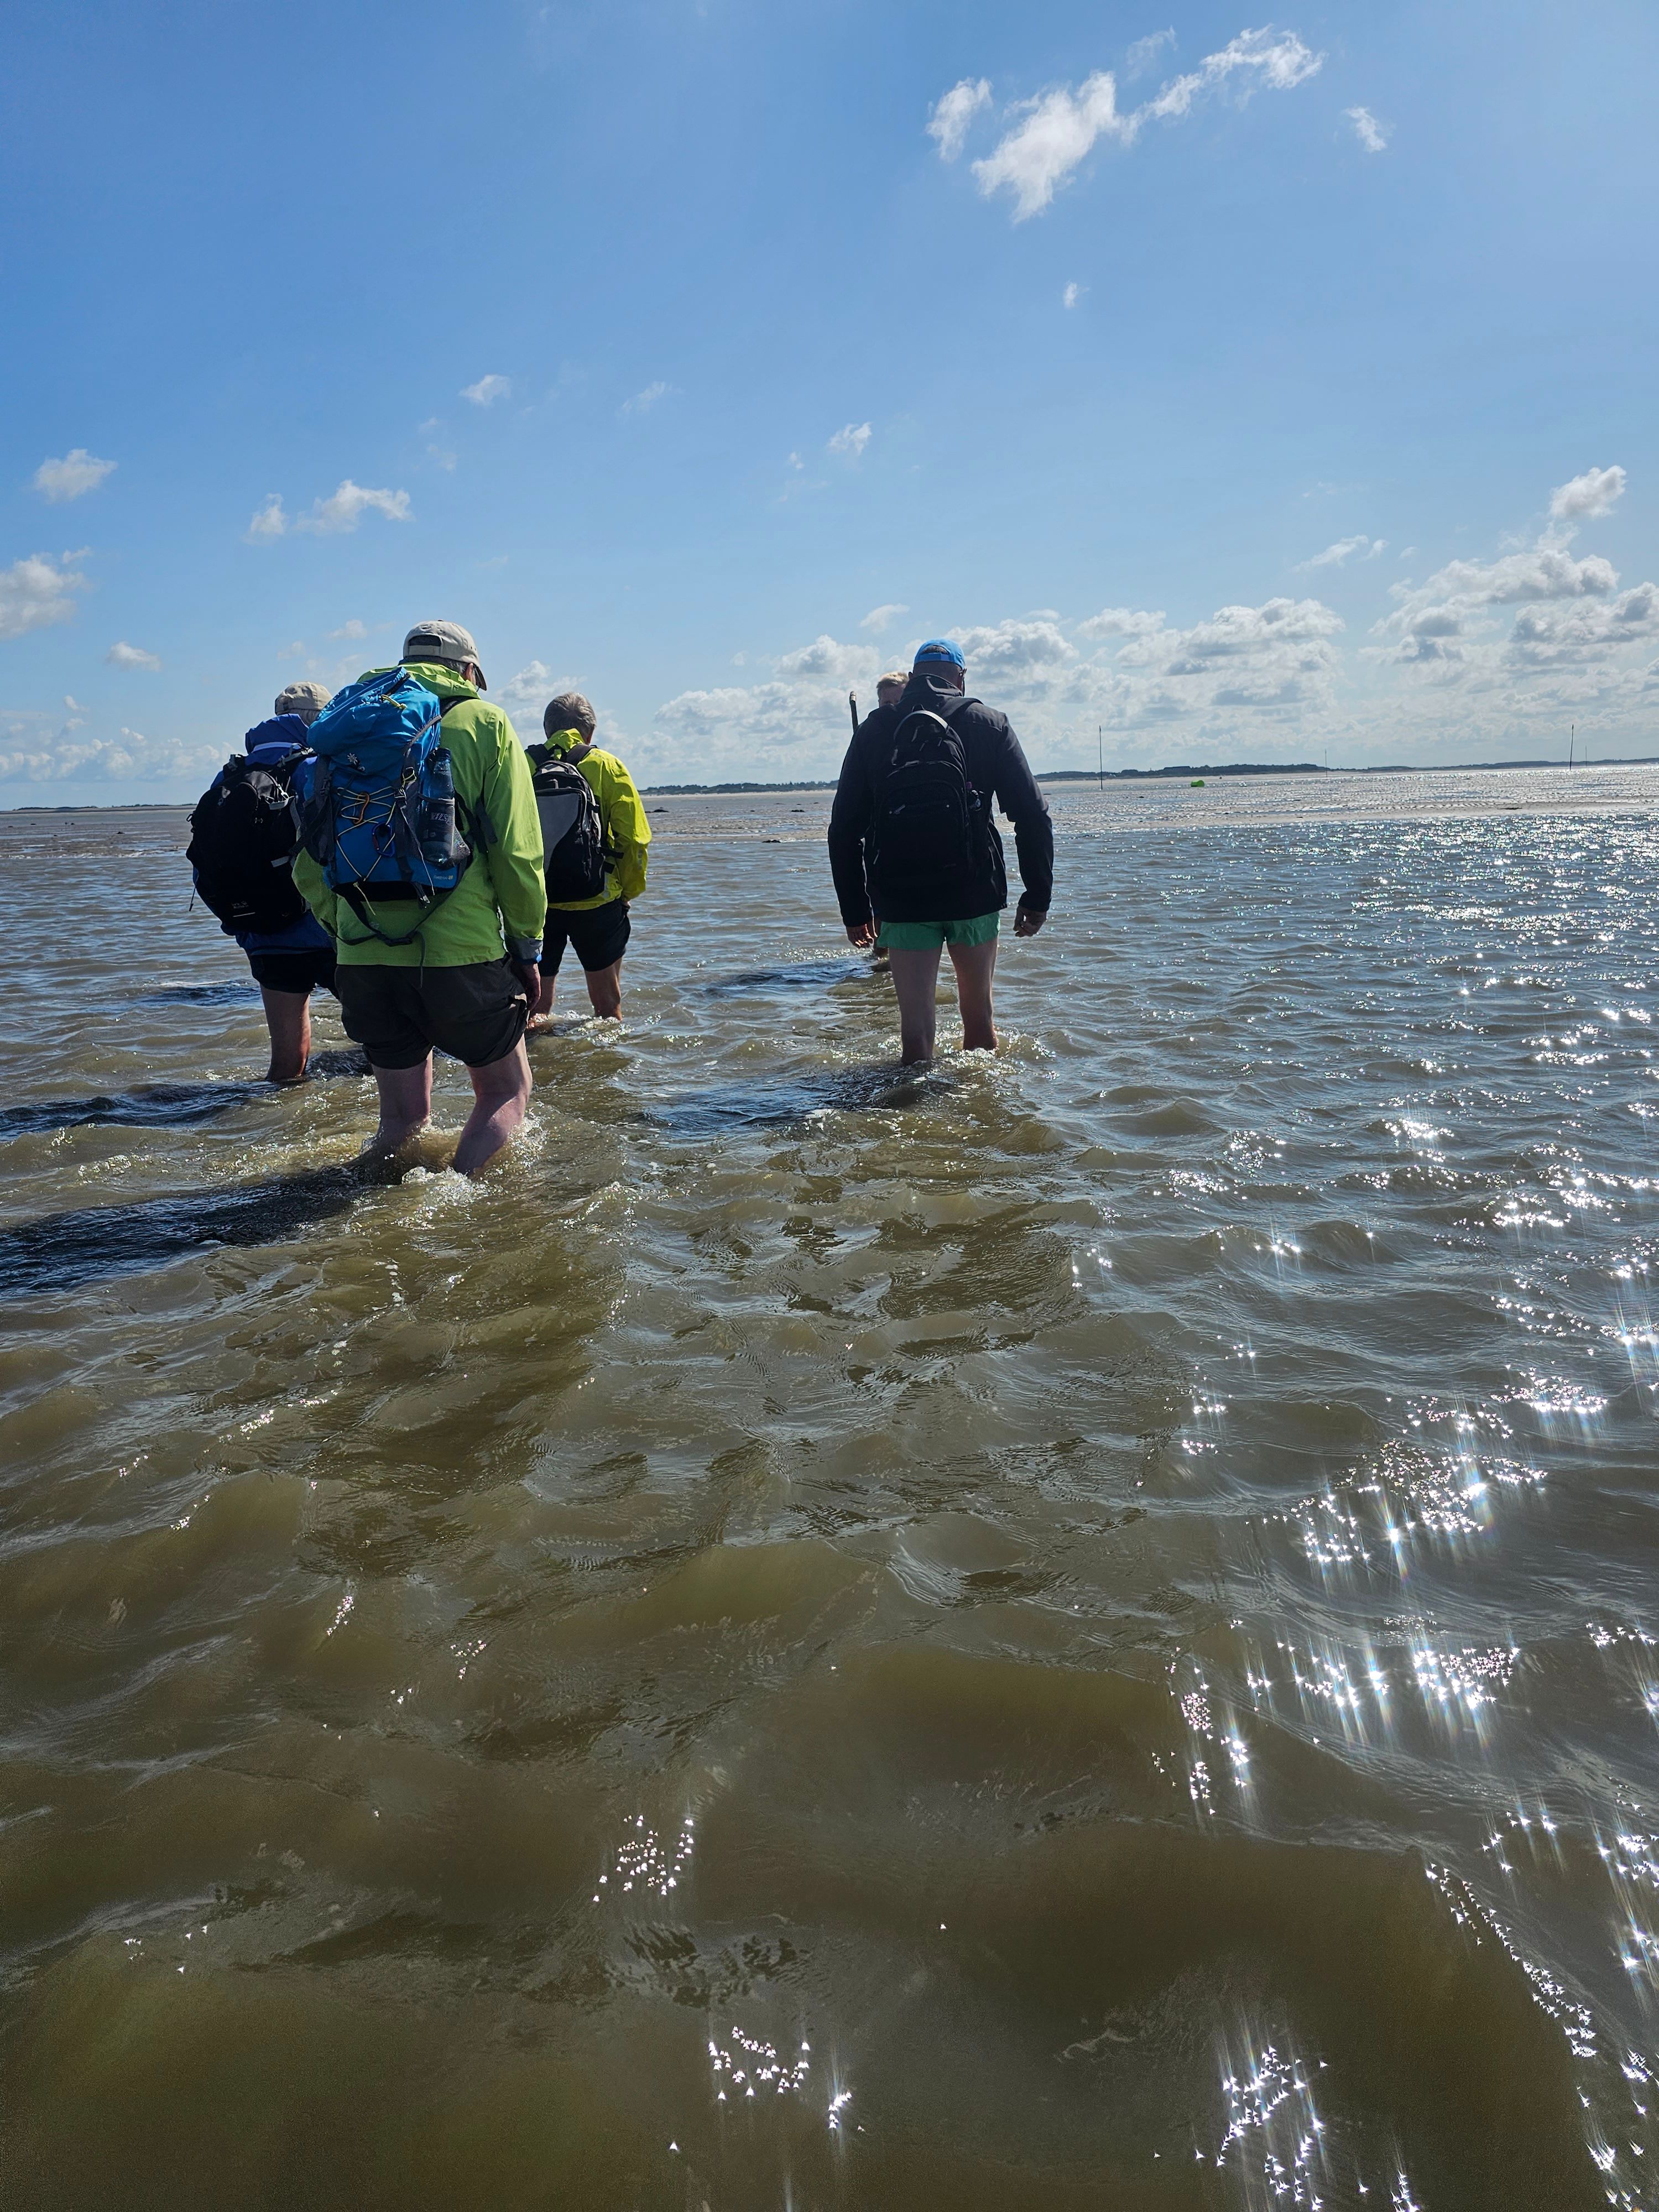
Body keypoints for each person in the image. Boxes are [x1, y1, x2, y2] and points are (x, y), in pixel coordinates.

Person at [292, 621, 547, 1177]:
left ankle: (369, 1204)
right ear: (471, 672)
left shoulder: (349, 727)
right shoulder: (485, 721)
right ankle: (456, 1201)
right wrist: (528, 948)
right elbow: (518, 853)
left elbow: (309, 862)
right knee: (507, 1092)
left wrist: (348, 935)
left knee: (402, 1119)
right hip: (463, 953)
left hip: (363, 956)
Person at [827, 638, 1053, 1063]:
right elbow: (1033, 816)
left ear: (913, 679)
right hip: (974, 891)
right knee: (980, 1024)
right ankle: (986, 1118)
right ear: (961, 679)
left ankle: (911, 1113)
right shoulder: (990, 723)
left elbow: (843, 831)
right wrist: (1037, 896)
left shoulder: (875, 730)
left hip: (902, 895)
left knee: (914, 1035)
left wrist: (855, 911)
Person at [204, 681, 337, 1084]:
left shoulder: (230, 774)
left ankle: (278, 1118)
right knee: (391, 1045)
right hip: (326, 934)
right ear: (317, 720)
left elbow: (211, 858)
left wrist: (240, 927)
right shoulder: (318, 768)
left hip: (262, 934)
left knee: (285, 1067)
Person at [528, 691, 651, 1026]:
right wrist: (627, 893)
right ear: (590, 732)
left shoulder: (521, 765)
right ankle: (607, 1069)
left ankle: (539, 1071)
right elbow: (634, 840)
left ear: (546, 729)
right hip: (598, 899)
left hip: (536, 902)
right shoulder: (608, 766)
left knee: (534, 1010)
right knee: (608, 1010)